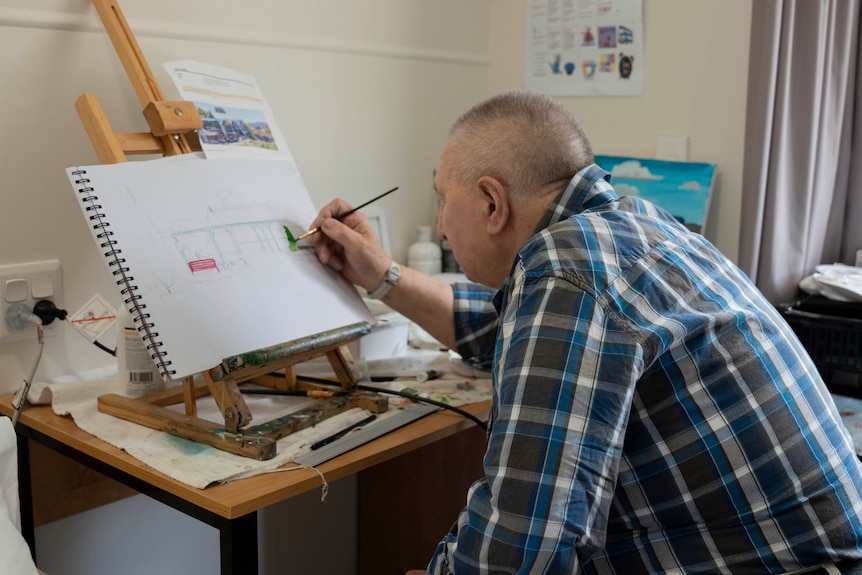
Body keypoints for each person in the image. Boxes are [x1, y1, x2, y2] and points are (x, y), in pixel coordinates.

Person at [308, 90, 862, 574]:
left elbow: (525, 547)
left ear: (493, 203)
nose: (444, 222)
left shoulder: (566, 269)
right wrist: (383, 276)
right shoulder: (633, 222)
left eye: (442, 199)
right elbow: (493, 328)